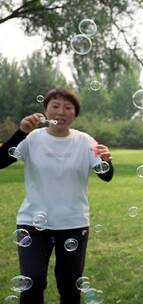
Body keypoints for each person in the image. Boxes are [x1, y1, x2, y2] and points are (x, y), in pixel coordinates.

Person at [0, 88, 114, 304]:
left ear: (75, 113)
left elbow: (106, 175)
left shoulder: (85, 141)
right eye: (55, 106)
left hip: (72, 223)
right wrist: (20, 132)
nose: (61, 112)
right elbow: (0, 161)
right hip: (32, 224)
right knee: (32, 282)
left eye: (68, 107)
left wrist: (107, 161)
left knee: (70, 286)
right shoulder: (31, 139)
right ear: (45, 111)